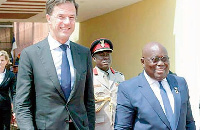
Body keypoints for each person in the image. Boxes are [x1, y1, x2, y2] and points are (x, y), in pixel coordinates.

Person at [15, 0, 95, 129]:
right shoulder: (31, 55)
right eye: (61, 17)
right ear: (48, 18)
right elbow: (22, 104)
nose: (67, 22)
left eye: (71, 17)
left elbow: (89, 100)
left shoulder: (83, 53)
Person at [114, 42, 196, 130]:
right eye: (155, 59)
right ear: (143, 62)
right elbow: (122, 127)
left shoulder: (180, 83)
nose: (161, 63)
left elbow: (189, 122)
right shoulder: (128, 88)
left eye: (164, 59)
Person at [90, 38, 125, 130]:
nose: (105, 57)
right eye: (101, 55)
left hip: (118, 125)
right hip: (98, 126)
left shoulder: (120, 77)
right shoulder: (89, 77)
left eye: (108, 54)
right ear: (94, 58)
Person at [0, 50, 16, 130]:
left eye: (2, 60)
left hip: (5, 108)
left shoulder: (11, 75)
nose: (0, 62)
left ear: (6, 61)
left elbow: (14, 92)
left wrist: (15, 110)